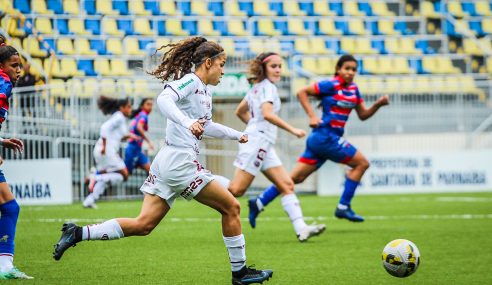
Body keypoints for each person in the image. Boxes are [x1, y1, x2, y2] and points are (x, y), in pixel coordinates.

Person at [53, 36, 273, 285]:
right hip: (179, 162)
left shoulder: (204, 91)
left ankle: (78, 233)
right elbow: (164, 99)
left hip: (168, 160)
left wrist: (238, 135)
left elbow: (207, 125)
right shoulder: (191, 81)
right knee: (231, 207)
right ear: (208, 63)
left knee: (144, 224)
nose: (223, 70)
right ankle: (240, 273)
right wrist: (187, 122)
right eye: (222, 64)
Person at [249, 54, 390, 226]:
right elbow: (302, 92)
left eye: (354, 70)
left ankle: (259, 201)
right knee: (362, 163)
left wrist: (378, 104)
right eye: (347, 68)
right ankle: (344, 206)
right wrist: (311, 116)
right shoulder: (330, 85)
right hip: (325, 136)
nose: (350, 72)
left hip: (324, 140)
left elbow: (363, 115)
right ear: (338, 69)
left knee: (294, 179)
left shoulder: (354, 90)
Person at [215, 52, 325, 242]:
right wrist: (292, 130)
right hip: (258, 142)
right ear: (264, 68)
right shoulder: (268, 88)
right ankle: (199, 178)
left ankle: (301, 228)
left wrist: (253, 126)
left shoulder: (256, 87)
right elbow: (267, 114)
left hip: (262, 142)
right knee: (236, 189)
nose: (278, 70)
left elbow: (240, 111)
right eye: (274, 66)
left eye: (280, 66)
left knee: (287, 184)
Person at [0, 43, 32, 279]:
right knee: (10, 207)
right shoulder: (4, 83)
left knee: (9, 206)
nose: (18, 70)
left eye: (20, 65)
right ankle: (5, 267)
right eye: (14, 66)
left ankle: (5, 267)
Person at [83, 96, 138, 209]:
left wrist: (130, 135)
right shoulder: (119, 117)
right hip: (106, 151)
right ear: (121, 108)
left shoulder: (119, 118)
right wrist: (104, 146)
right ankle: (95, 177)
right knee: (124, 174)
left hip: (103, 150)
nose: (130, 109)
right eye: (128, 107)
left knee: (106, 179)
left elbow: (118, 136)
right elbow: (104, 128)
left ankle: (89, 201)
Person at [124, 98, 154, 175]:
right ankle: (97, 175)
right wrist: (149, 141)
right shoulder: (143, 115)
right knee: (125, 174)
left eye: (151, 105)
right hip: (132, 150)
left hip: (138, 150)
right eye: (148, 104)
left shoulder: (141, 115)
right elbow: (139, 127)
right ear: (142, 106)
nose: (150, 107)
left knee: (151, 171)